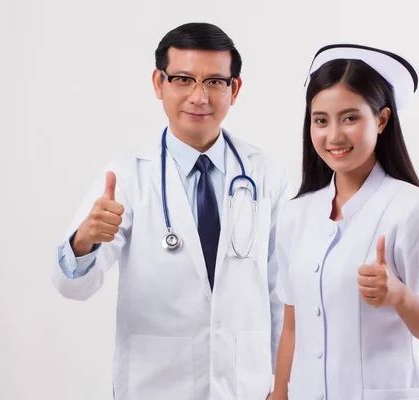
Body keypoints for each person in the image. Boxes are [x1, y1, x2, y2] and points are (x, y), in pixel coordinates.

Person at [53, 22, 291, 400]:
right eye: (183, 79)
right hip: (156, 386)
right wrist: (85, 241)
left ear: (235, 89)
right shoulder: (128, 175)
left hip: (247, 385)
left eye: (215, 82)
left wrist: (282, 386)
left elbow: (282, 292)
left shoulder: (267, 174)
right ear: (158, 83)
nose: (199, 97)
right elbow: (72, 286)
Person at [271, 44, 419, 400]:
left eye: (350, 117)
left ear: (382, 119)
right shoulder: (295, 214)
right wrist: (279, 393)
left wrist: (399, 296)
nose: (334, 136)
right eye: (320, 120)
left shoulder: (414, 208)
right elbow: (292, 326)